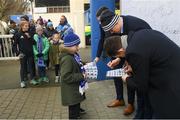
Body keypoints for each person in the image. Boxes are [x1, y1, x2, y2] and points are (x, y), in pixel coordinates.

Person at [104, 29, 180, 119]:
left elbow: (141, 85)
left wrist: (126, 78)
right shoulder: (138, 35)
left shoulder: (134, 52)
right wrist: (133, 68)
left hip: (171, 84)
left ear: (120, 51)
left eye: (119, 56)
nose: (121, 58)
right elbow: (149, 57)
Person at [99, 8, 152, 117]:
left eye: (112, 30)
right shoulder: (120, 27)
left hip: (147, 61)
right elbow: (124, 49)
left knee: (143, 92)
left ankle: (143, 113)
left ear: (116, 23)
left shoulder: (135, 26)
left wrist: (130, 67)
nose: (112, 33)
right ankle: (140, 113)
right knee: (138, 87)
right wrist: (119, 59)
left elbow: (142, 52)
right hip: (138, 59)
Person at [59, 33, 86, 119]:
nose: (78, 48)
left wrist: (85, 65)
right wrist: (81, 75)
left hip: (74, 89)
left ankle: (77, 114)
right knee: (73, 111)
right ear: (69, 46)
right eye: (76, 46)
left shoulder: (72, 54)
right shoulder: (67, 59)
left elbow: (77, 63)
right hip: (71, 90)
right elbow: (66, 76)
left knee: (76, 106)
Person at [14, 21, 38, 88]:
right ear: (22, 26)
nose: (27, 27)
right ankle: (22, 81)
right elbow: (14, 45)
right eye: (26, 26)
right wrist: (18, 53)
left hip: (30, 53)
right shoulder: (18, 34)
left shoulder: (30, 33)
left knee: (31, 67)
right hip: (23, 54)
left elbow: (34, 43)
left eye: (28, 26)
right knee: (23, 67)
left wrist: (29, 37)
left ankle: (32, 79)